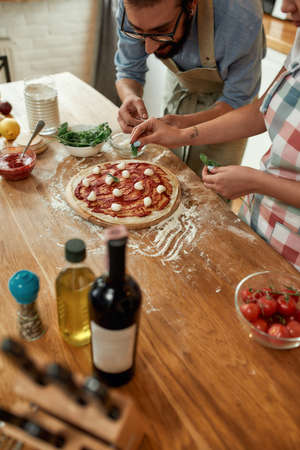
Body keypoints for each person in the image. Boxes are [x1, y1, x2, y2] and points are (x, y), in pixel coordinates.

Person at [130, 0, 300, 271]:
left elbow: (241, 99)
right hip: (259, 223)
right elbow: (262, 110)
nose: (285, 4)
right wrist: (182, 133)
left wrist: (258, 181)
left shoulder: (240, 16)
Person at [115, 0, 265, 175]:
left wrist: (184, 124)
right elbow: (128, 68)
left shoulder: (241, 16)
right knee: (169, 173)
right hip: (182, 85)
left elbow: (237, 99)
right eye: (139, 32)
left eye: (162, 32)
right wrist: (129, 96)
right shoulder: (129, 4)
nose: (149, 48)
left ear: (191, 5)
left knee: (210, 190)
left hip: (231, 110)